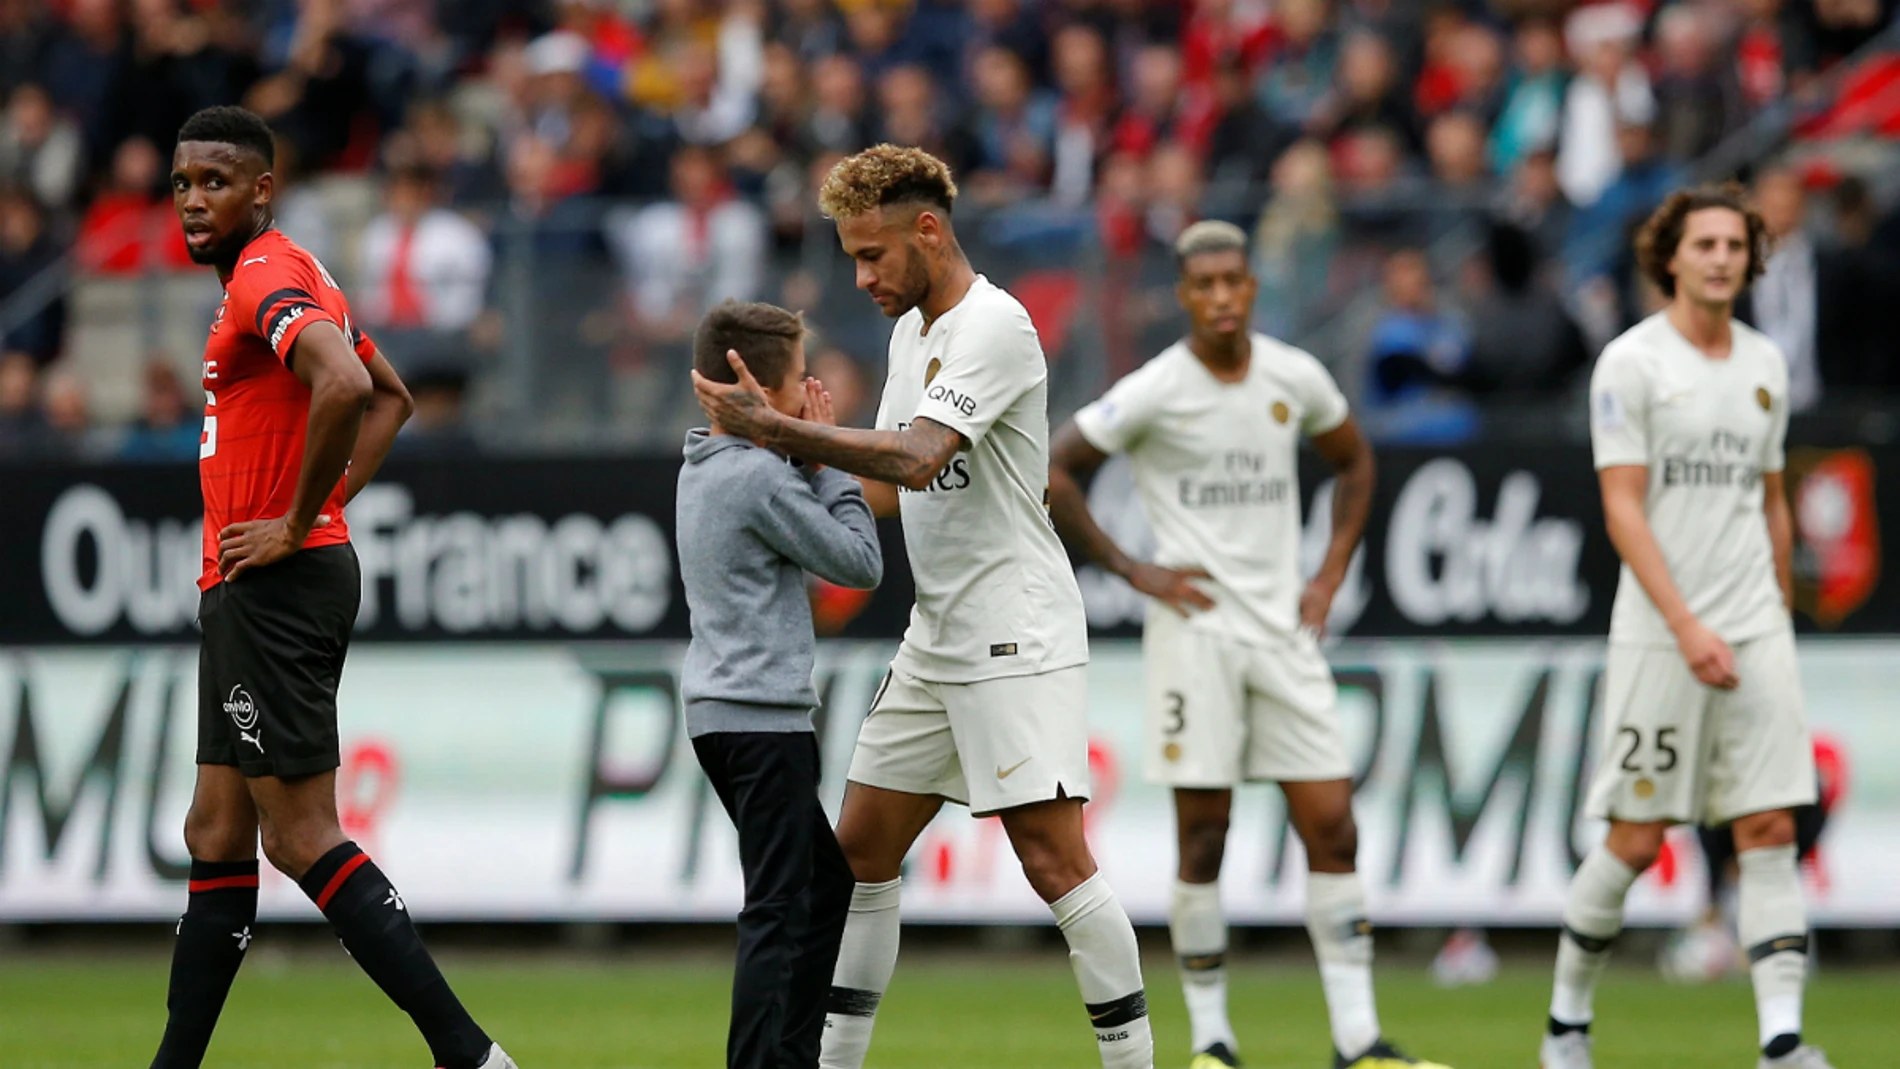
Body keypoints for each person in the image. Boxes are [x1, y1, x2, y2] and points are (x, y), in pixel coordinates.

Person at [692, 144, 1154, 1069]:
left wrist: (781, 429)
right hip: (937, 633)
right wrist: (783, 488)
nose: (861, 277)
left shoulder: (996, 326)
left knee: (1054, 860)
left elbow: (916, 456)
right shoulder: (912, 333)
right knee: (858, 854)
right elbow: (893, 486)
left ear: (929, 229)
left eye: (873, 254)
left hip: (1014, 627)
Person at [150, 106, 516, 1069]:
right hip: (254, 578)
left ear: (261, 190)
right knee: (217, 826)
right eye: (183, 182)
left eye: (216, 182)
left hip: (273, 583)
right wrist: (323, 505)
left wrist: (295, 518)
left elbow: (348, 391)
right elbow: (388, 393)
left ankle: (471, 1055)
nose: (194, 201)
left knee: (301, 835)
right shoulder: (296, 269)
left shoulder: (268, 273)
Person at [1048, 221, 1450, 1069]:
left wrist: (1331, 568)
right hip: (1196, 636)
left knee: (1333, 823)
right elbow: (1059, 467)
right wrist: (1133, 568)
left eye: (1236, 281)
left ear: (1252, 287)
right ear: (1185, 295)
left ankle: (1358, 1042)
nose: (1224, 297)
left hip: (1282, 633)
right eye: (1207, 285)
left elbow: (1354, 459)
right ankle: (1216, 1045)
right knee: (1205, 837)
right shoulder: (1157, 387)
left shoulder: (1291, 375)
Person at [1541, 183, 1830, 1069]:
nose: (1720, 259)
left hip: (1752, 625)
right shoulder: (1632, 364)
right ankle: (1565, 1027)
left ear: (1751, 261)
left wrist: (1773, 608)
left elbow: (1770, 498)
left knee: (1770, 827)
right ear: (1671, 257)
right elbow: (1623, 509)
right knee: (1633, 838)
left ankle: (1781, 1040)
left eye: (1736, 247)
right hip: (1663, 633)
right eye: (1704, 244)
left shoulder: (1764, 364)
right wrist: (1687, 623)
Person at [676, 299, 882, 1069]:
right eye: (801, 376)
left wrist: (795, 449)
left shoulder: (706, 461)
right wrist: (829, 459)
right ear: (757, 387)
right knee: (777, 905)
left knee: (821, 891)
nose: (813, 389)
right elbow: (858, 562)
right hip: (763, 721)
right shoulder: (759, 479)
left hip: (725, 716)